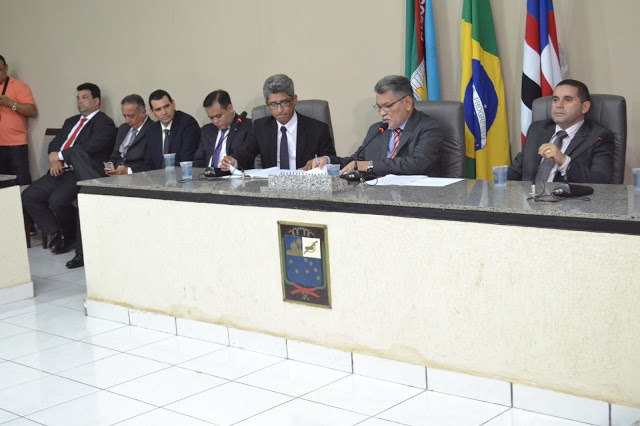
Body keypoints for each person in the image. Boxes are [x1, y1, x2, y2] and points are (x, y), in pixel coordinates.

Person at [21, 83, 116, 258]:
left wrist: (59, 156)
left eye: (84, 98)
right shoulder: (71, 121)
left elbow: (88, 148)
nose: (80, 101)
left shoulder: (104, 123)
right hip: (59, 170)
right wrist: (53, 158)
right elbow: (56, 143)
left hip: (78, 173)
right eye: (78, 98)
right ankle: (59, 233)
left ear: (97, 101)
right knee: (29, 196)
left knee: (57, 200)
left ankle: (68, 233)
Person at [61, 94, 151, 269]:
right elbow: (115, 155)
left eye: (131, 116)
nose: (127, 120)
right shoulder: (123, 129)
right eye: (124, 116)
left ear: (143, 112)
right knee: (75, 153)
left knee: (85, 197)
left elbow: (151, 163)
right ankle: (95, 189)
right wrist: (110, 164)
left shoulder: (152, 130)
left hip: (133, 178)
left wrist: (128, 170)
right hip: (112, 174)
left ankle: (81, 253)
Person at [304, 75, 442, 177]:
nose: (382, 113)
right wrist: (327, 160)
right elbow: (356, 161)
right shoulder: (377, 129)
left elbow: (418, 164)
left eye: (387, 106)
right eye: (379, 107)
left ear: (407, 103)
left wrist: (369, 166)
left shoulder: (429, 128)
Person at [221, 74, 335, 171]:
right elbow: (246, 153)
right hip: (271, 186)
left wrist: (320, 164)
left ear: (294, 100)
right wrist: (234, 161)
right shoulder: (260, 127)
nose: (279, 110)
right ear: (267, 105)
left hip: (306, 185)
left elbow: (331, 161)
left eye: (284, 102)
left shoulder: (317, 129)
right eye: (273, 104)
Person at [508, 79, 614, 183]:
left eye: (568, 100)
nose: (559, 105)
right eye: (555, 100)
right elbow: (516, 171)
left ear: (584, 107)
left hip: (565, 195)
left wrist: (564, 161)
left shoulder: (598, 137)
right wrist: (499, 180)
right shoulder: (537, 129)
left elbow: (601, 181)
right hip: (529, 193)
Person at [0, 55, 37, 186]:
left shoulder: (19, 86)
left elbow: (32, 111)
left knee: (21, 184)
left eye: (0, 70)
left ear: (6, 68)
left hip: (15, 146)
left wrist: (10, 103)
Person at [193, 90, 251, 173]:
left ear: (230, 108)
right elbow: (198, 161)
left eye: (218, 116)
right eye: (211, 118)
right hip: (208, 178)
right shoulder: (207, 130)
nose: (215, 121)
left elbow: (247, 158)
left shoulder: (247, 127)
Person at [143, 90, 199, 170]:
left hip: (181, 175)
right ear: (152, 112)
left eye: (166, 106)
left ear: (173, 104)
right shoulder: (152, 130)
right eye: (158, 109)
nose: (164, 112)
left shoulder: (188, 124)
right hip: (157, 176)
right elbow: (148, 164)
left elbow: (186, 159)